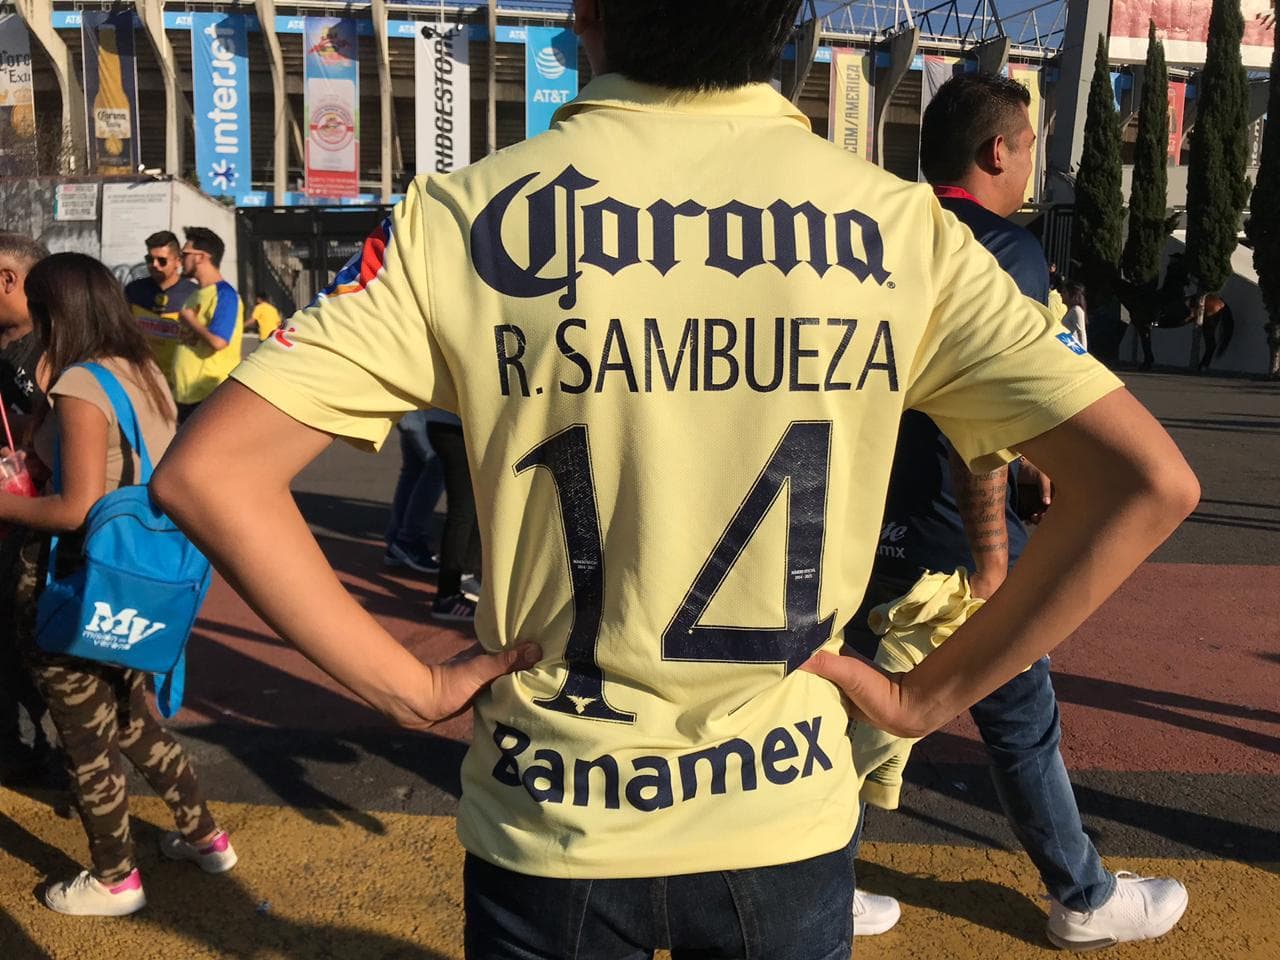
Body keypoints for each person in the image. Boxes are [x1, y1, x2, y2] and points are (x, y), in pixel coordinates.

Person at [151, 3, 1198, 956]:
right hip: (781, 815)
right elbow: (1145, 483)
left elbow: (210, 474)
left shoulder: (459, 218)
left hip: (550, 813)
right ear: (786, 22)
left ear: (584, 15)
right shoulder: (901, 227)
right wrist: (925, 697)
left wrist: (407, 685)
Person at [846, 72, 1187, 950]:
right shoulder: (1005, 250)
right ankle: (1082, 894)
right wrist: (996, 558)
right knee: (1017, 716)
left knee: (855, 706)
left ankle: (814, 871)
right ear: (998, 151)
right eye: (1030, 146)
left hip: (862, 517)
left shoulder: (881, 232)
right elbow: (987, 423)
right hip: (954, 531)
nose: (1033, 163)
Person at [0, 253, 236, 917]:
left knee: (86, 737)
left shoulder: (81, 384)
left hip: (76, 580)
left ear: (57, 312)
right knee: (132, 717)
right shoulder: (140, 369)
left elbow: (75, 507)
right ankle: (205, 836)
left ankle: (115, 879)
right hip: (136, 580)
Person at [0, 232, 56, 784]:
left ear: (8, 280)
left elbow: (67, 441)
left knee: (36, 651)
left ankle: (55, 754)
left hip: (38, 536)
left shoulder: (54, 351)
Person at [174, 227, 243, 423]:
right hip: (186, 395)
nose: (180, 260)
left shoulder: (225, 295)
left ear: (201, 257)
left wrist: (191, 320)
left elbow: (219, 342)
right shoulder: (195, 294)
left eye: (184, 254)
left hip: (208, 397)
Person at [123, 230, 199, 386]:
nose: (155, 265)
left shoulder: (194, 294)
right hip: (141, 380)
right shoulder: (134, 290)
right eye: (150, 259)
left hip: (178, 383)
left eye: (162, 261)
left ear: (178, 261)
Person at [425, 410, 481, 622]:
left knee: (473, 508)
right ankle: (446, 596)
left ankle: (464, 576)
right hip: (456, 428)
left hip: (454, 426)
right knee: (462, 513)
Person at [383, 408, 444, 574]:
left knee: (415, 468)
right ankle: (408, 540)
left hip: (416, 409)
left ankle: (397, 541)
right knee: (437, 464)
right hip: (422, 412)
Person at [1062, 281, 1089, 352]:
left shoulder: (1076, 310)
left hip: (1074, 350)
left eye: (1064, 292)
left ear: (1072, 295)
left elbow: (1081, 332)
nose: (1061, 295)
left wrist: (1083, 353)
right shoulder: (1071, 310)